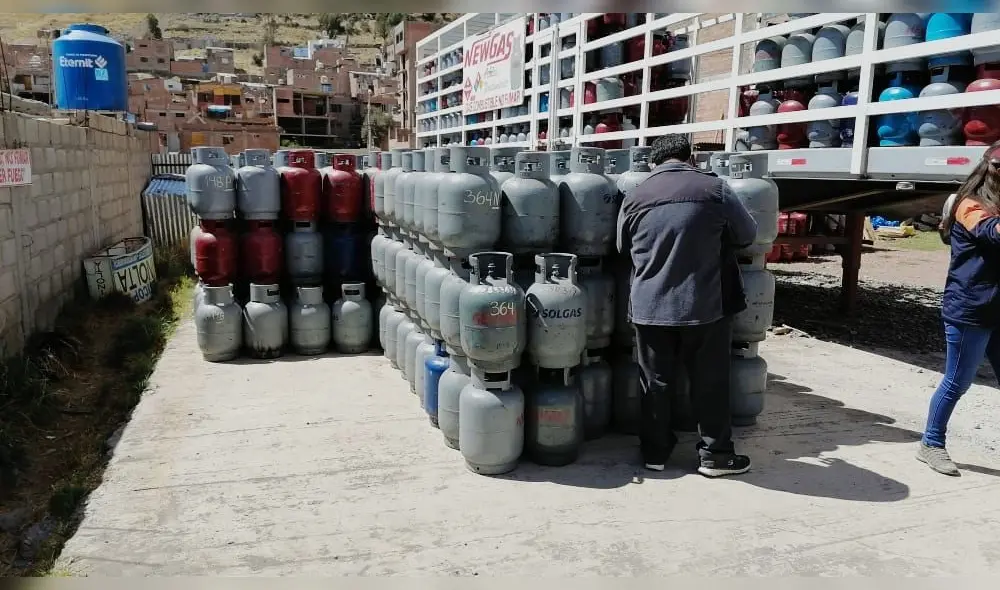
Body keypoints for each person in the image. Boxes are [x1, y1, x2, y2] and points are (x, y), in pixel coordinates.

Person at [616, 134, 758, 477]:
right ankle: (715, 456)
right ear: (690, 157)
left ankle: (655, 453)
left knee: (655, 382)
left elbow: (622, 247)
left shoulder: (635, 195)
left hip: (650, 307)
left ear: (654, 162)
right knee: (709, 381)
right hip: (703, 305)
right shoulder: (715, 189)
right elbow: (747, 235)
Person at [919, 142, 1000, 476]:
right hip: (971, 309)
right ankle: (931, 443)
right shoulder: (969, 205)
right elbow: (992, 234)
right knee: (957, 381)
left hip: (996, 307)